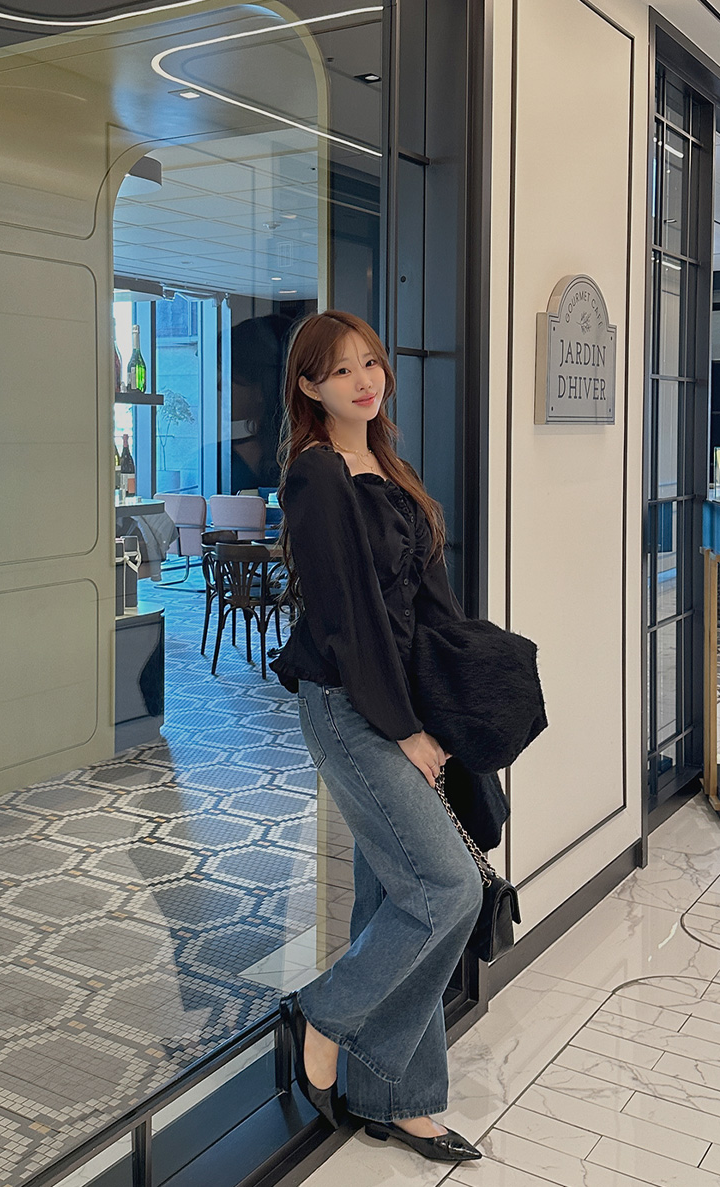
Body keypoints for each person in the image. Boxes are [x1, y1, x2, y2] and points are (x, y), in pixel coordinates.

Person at [271, 310, 484, 1162]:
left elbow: (429, 602)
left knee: (390, 896)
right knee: (447, 888)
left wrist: (453, 707)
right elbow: (348, 618)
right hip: (349, 707)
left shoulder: (390, 465)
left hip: (401, 706)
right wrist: (404, 732)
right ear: (309, 387)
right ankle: (325, 1012)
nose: (365, 380)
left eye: (371, 362)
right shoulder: (316, 475)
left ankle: (395, 1097)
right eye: (341, 369)